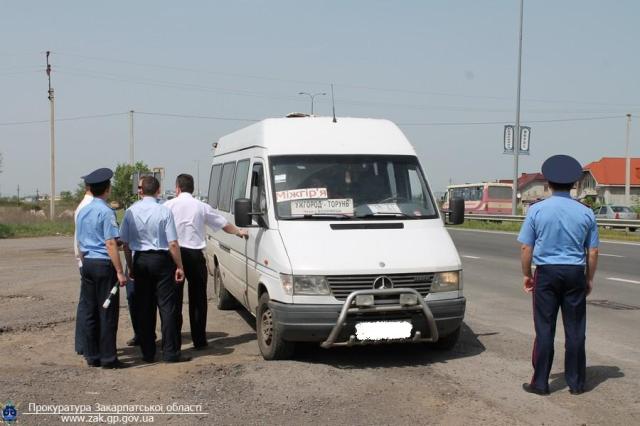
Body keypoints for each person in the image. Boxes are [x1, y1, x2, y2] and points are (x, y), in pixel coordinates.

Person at [517, 155, 599, 396]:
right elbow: (592, 251)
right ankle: (576, 383)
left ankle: (540, 383)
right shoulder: (586, 212)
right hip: (575, 272)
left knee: (544, 329)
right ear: (575, 183)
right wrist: (589, 278)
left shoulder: (537, 210)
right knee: (575, 330)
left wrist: (526, 274)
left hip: (546, 273)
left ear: (548, 183)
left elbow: (526, 248)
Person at [164, 174, 248, 349]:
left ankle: (173, 342)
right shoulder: (201, 206)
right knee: (198, 299)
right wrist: (239, 232)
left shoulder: (168, 205)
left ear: (177, 188)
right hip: (195, 255)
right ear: (192, 189)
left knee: (174, 300)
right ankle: (199, 340)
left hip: (174, 255)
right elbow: (224, 224)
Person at [120, 176, 189, 363]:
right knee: (167, 308)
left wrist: (131, 266)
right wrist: (180, 266)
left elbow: (125, 243)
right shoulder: (164, 211)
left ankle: (148, 352)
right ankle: (170, 352)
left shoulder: (130, 212)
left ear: (142, 190)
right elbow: (173, 243)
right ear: (158, 190)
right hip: (161, 260)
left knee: (144, 307)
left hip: (141, 260)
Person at [75, 168, 128, 369]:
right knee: (107, 311)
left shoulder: (83, 210)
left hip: (87, 262)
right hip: (103, 265)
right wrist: (120, 272)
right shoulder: (106, 211)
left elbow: (80, 241)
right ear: (107, 188)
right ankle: (108, 358)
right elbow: (110, 243)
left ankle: (92, 354)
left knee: (90, 310)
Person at [73, 185, 93, 355]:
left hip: (84, 260)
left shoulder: (83, 205)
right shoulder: (89, 207)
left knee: (85, 304)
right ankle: (86, 345)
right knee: (89, 306)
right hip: (90, 260)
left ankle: (82, 345)